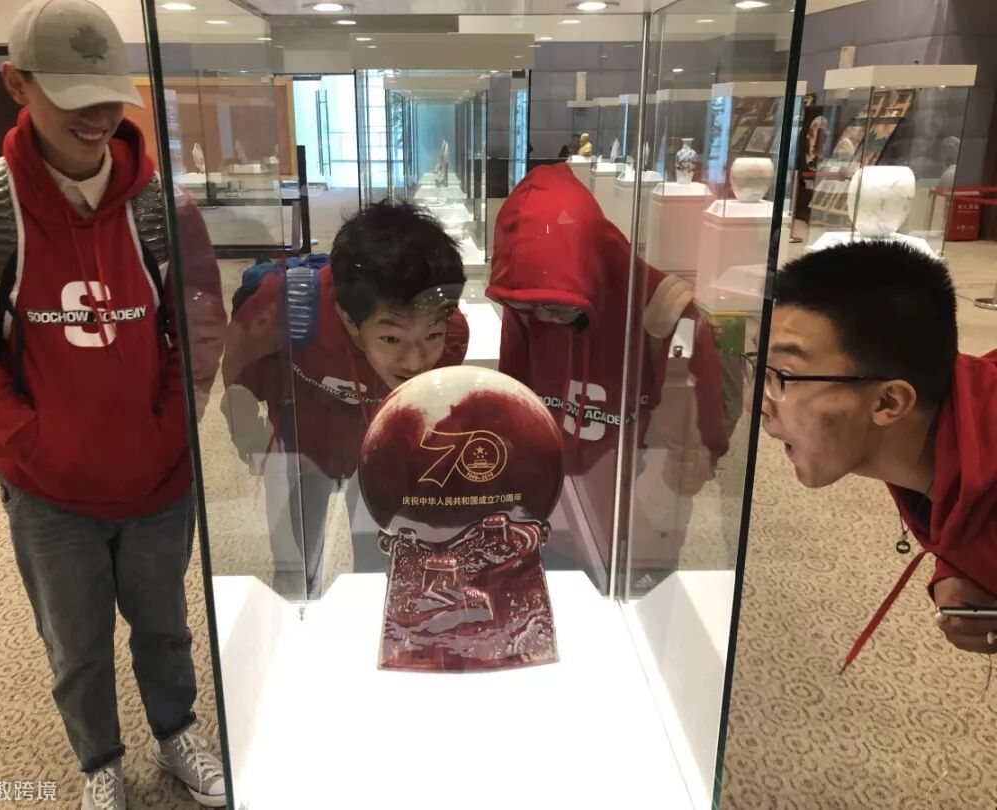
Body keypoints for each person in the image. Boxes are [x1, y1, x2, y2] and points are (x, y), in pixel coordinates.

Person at [0, 1, 226, 807]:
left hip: (158, 479)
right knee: (76, 642)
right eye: (71, 96)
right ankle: (99, 762)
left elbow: (199, 328)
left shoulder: (165, 208)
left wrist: (172, 427)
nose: (97, 117)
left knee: (165, 627)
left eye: (108, 96)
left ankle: (176, 734)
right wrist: (23, 428)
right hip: (48, 488)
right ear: (16, 84)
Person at [755, 240, 997, 665]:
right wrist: (959, 563)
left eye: (785, 376)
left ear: (888, 402)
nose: (758, 403)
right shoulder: (937, 425)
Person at [487, 163, 728, 589]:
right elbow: (512, 414)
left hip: (637, 534)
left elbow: (697, 441)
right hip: (549, 523)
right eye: (530, 306)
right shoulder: (526, 311)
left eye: (557, 307)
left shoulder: (666, 310)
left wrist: (656, 513)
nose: (544, 318)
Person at [221, 200, 469, 594]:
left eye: (431, 335)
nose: (416, 361)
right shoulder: (288, 309)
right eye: (392, 338)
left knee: (384, 558)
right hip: (304, 448)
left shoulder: (453, 334)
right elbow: (238, 366)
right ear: (349, 319)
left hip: (383, 452)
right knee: (296, 565)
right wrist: (246, 430)